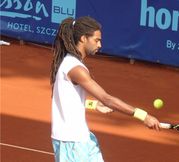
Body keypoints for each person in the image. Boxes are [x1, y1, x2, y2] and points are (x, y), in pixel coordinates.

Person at [50, 16, 161, 162]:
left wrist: (94, 105)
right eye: (96, 40)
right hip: (70, 141)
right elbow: (107, 99)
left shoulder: (72, 64)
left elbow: (67, 99)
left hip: (82, 138)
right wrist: (143, 116)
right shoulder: (75, 68)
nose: (100, 45)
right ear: (83, 38)